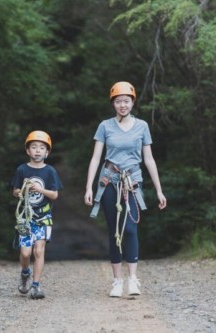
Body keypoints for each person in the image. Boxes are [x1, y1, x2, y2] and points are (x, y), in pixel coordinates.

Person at [84, 81, 167, 297]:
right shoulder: (105, 126)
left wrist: (159, 190)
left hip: (132, 182)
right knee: (114, 231)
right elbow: (95, 158)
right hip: (109, 180)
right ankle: (117, 281)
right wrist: (89, 187)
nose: (122, 105)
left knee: (129, 229)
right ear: (113, 104)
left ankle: (133, 279)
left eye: (126, 101)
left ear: (132, 102)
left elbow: (149, 159)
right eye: (118, 101)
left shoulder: (142, 127)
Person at [11, 130, 63, 299]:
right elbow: (15, 191)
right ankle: (25, 273)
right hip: (26, 218)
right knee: (26, 253)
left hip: (43, 217)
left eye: (42, 147)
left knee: (38, 251)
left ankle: (36, 286)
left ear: (47, 152)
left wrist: (40, 189)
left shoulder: (50, 172)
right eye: (34, 147)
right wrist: (23, 190)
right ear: (28, 151)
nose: (38, 150)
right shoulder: (22, 169)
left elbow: (55, 195)